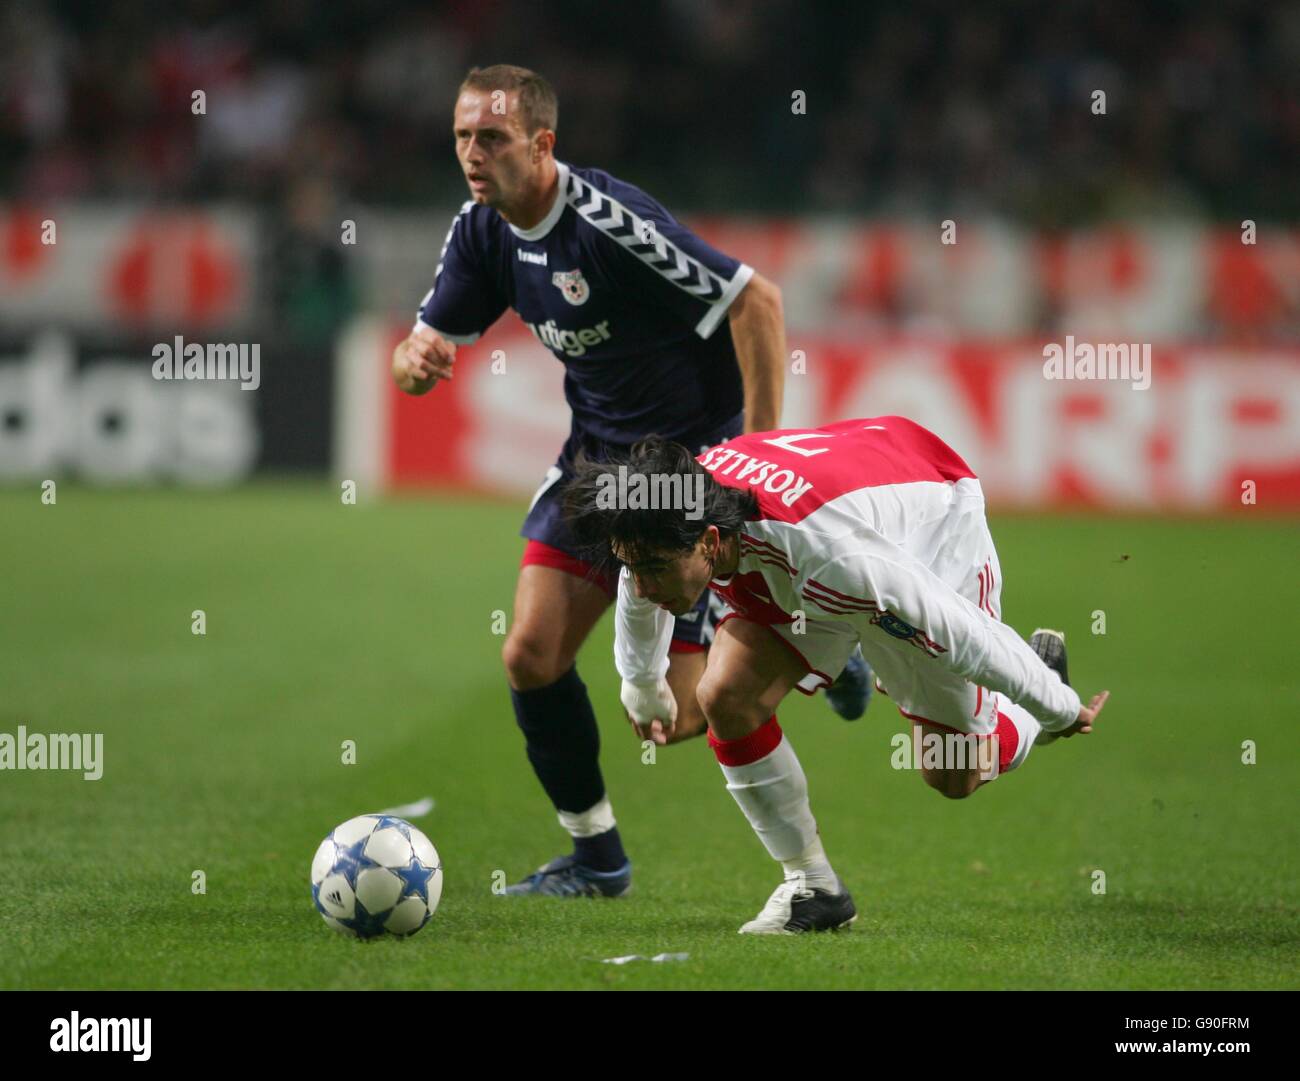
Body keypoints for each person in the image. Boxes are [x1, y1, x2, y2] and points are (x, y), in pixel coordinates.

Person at [391, 64, 870, 898]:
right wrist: (415, 357)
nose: (472, 152)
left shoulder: (610, 226)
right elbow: (416, 351)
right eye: (464, 135)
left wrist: (756, 457)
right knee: (531, 655)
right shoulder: (481, 230)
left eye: (492, 137)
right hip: (596, 460)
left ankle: (815, 643)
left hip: (686, 465)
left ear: (542, 146)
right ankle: (597, 858)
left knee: (673, 715)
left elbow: (757, 302)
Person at [562, 416, 1110, 933]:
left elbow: (964, 634)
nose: (645, 584)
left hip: (928, 530)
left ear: (710, 542)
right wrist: (642, 681)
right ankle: (812, 887)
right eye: (634, 567)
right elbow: (637, 582)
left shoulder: (835, 559)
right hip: (816, 543)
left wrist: (1055, 704)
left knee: (953, 771)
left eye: (657, 569)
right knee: (725, 696)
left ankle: (1025, 692)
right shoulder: (674, 514)